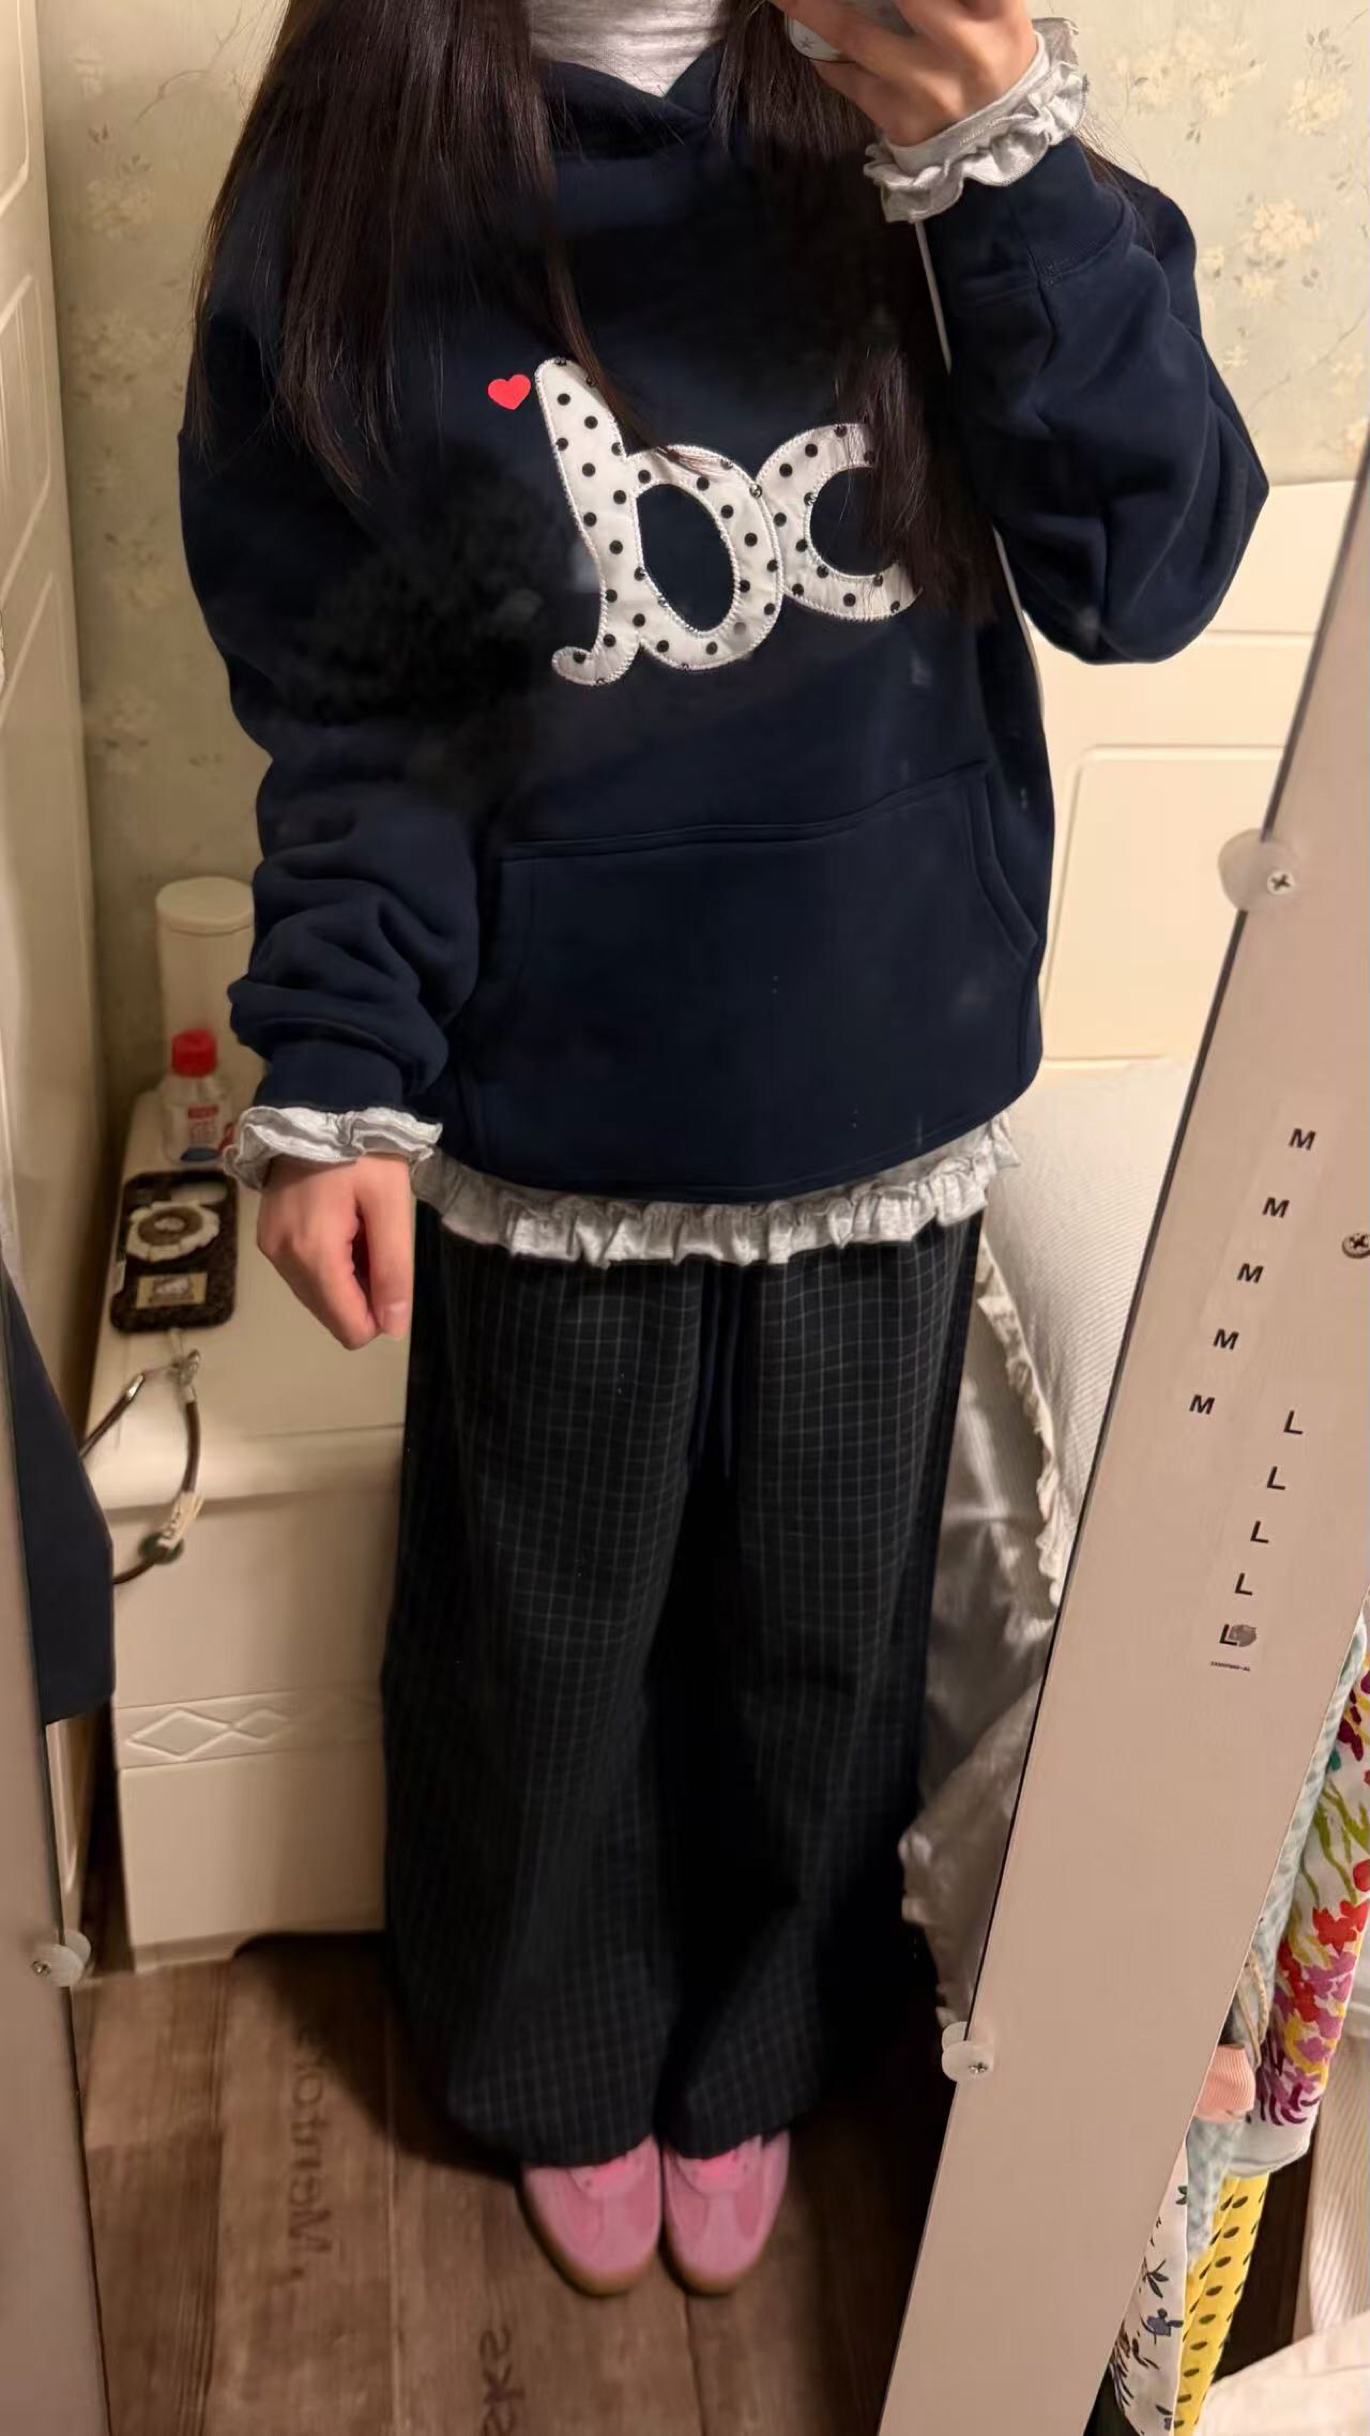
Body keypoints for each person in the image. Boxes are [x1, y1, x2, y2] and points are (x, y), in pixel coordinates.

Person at [180, 0, 1265, 2300]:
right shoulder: (368, 155)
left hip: (880, 1074)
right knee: (539, 1648)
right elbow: (354, 698)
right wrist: (338, 1061)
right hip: (544, 1106)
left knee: (821, 1637)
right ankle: (548, 2055)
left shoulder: (932, 101)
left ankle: (765, 2043)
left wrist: (999, 160)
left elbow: (1153, 569)